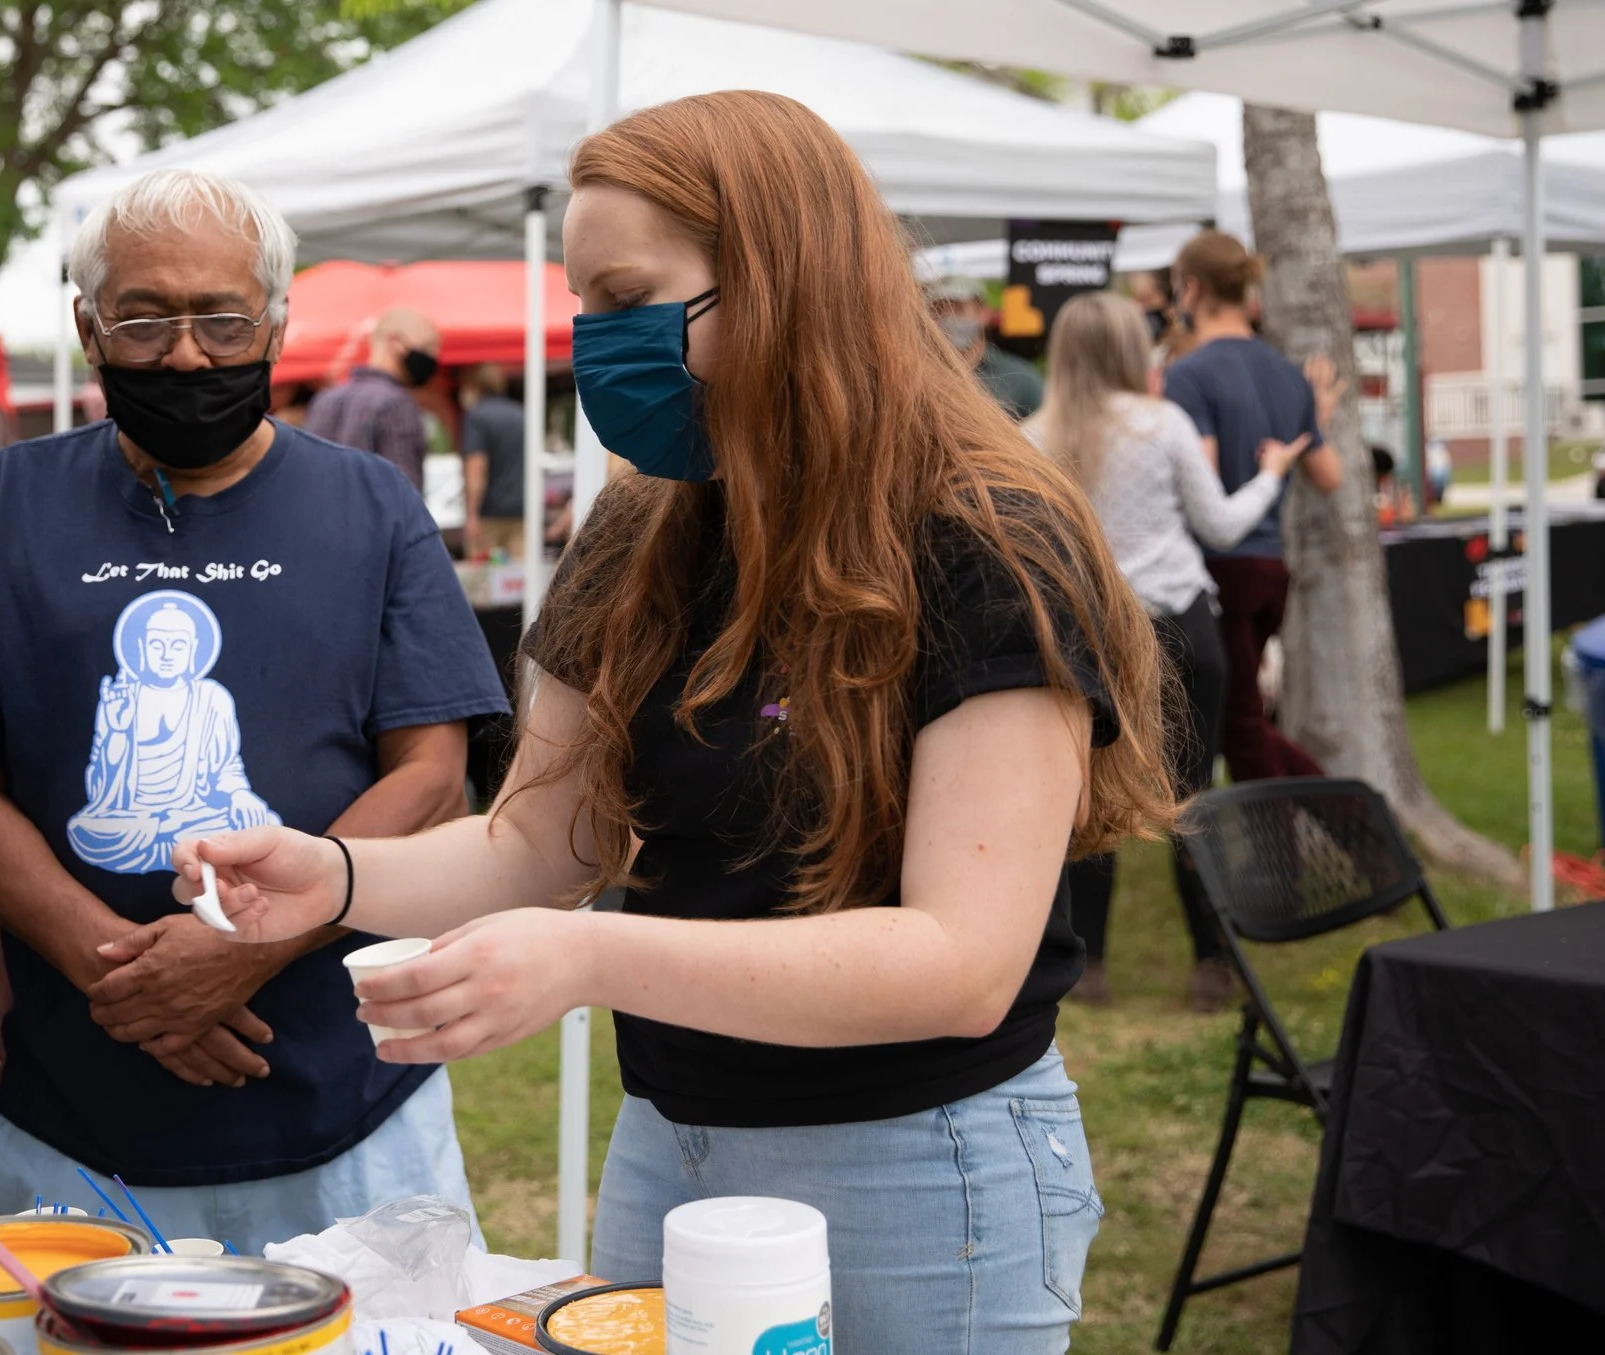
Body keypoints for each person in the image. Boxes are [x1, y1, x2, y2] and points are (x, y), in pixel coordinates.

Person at [169, 93, 1175, 1354]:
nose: (596, 341)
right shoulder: (643, 528)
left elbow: (961, 962)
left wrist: (591, 960)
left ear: (783, 279)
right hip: (674, 1145)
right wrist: (336, 873)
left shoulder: (985, 541)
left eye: (626, 296)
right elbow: (541, 841)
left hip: (921, 1169)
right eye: (583, 305)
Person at [0, 169, 510, 1251]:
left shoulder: (371, 504)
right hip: (80, 1108)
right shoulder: (7, 504)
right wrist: (115, 964)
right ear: (88, 327)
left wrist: (242, 945)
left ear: (275, 320)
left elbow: (429, 768)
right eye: (144, 318)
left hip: (346, 1098)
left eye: (223, 319)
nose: (186, 355)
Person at [1026, 292, 1306, 1011]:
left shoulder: (1033, 437)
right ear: (1129, 349)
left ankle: (1084, 966)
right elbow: (1220, 525)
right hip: (1182, 628)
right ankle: (1214, 963)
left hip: (1090, 632)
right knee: (1192, 795)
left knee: (1083, 802)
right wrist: (1272, 473)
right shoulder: (1163, 424)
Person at [1161, 231, 1344, 783]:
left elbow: (1206, 487)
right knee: (1236, 718)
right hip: (1271, 571)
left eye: (1176, 289)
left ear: (1191, 289)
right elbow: (1327, 476)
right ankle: (1310, 826)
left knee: (1239, 725)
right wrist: (1314, 418)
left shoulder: (1189, 375)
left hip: (1223, 572)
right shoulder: (1287, 374)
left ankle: (1325, 826)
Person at [305, 306, 442, 484]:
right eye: (427, 348)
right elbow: (404, 490)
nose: (433, 357)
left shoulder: (324, 399)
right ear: (395, 342)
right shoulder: (396, 403)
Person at [928, 277, 1045, 418]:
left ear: (982, 313)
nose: (947, 318)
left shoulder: (1021, 378)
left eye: (957, 308)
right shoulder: (921, 374)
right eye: (938, 309)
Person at [458, 363, 526, 562]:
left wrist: (471, 514)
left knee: (485, 584)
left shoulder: (477, 417)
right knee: (519, 581)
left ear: (474, 386)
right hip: (522, 510)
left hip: (489, 515)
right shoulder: (521, 414)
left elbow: (476, 467)